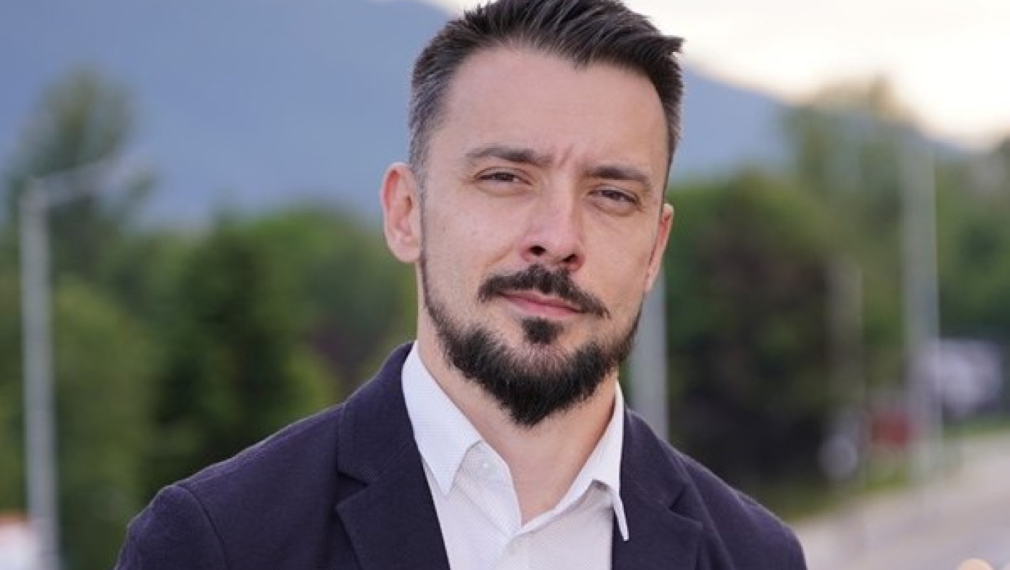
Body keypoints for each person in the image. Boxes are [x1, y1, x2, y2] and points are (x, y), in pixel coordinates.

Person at [115, 0, 808, 568]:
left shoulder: (754, 557)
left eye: (611, 194)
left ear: (655, 247)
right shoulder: (218, 545)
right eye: (505, 177)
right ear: (406, 214)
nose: (559, 237)